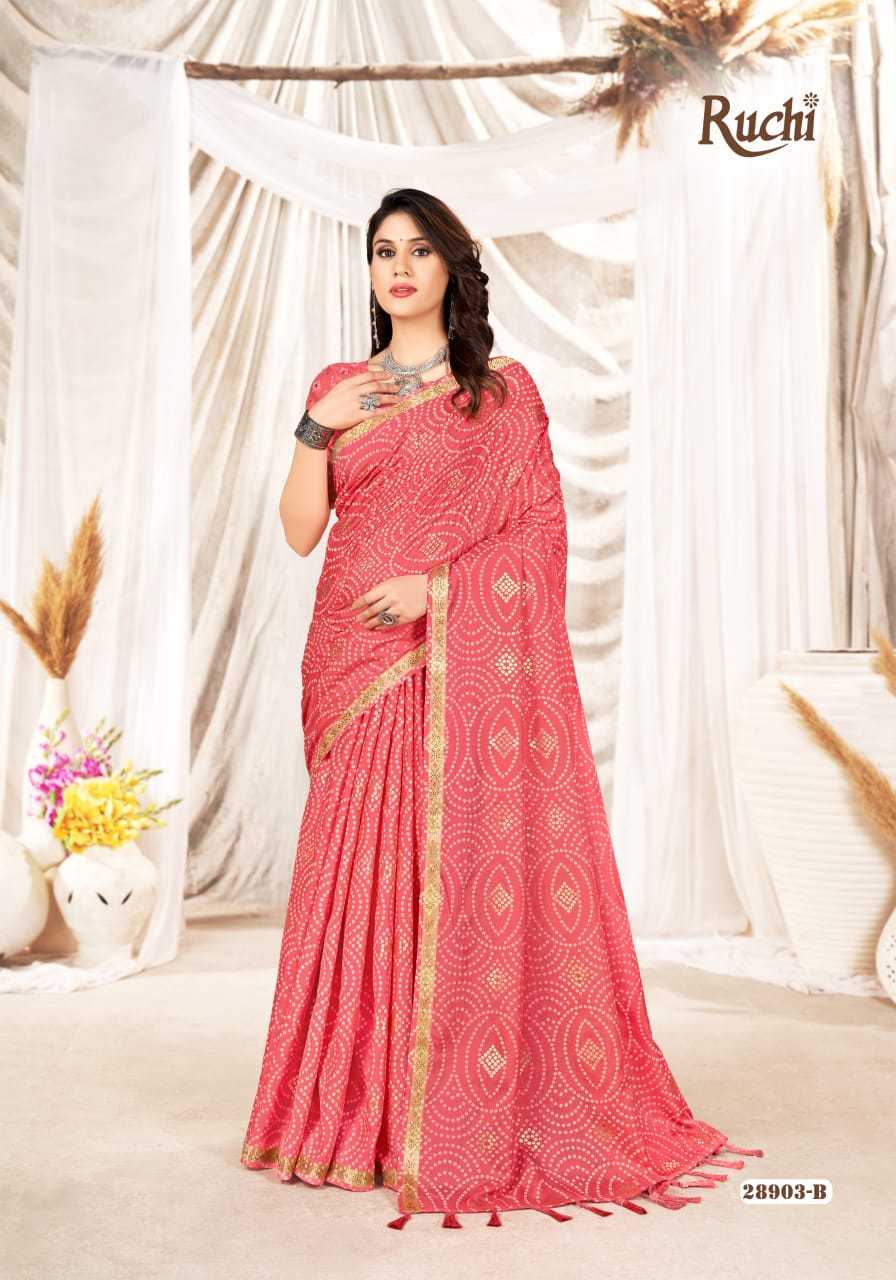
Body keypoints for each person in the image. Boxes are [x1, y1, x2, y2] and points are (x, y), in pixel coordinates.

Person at [239, 188, 763, 1230]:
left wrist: (439, 592)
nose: (398, 268)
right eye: (382, 251)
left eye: (417, 250)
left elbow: (538, 538)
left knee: (452, 874)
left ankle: (445, 1117)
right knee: (357, 882)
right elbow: (301, 530)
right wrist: (315, 427)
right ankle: (353, 1119)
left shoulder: (501, 394)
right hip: (352, 661)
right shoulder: (338, 388)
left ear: (450, 266)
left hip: (444, 655)